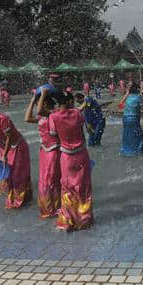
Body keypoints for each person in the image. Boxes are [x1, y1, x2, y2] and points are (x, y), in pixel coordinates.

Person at [41, 89, 93, 231]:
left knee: (68, 187)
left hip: (66, 157)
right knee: (83, 187)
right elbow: (82, 131)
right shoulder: (76, 113)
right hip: (81, 154)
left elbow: (54, 135)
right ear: (69, 101)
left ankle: (68, 219)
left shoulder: (53, 117)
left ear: (58, 102)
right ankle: (84, 219)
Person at [25, 92, 61, 218]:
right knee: (44, 179)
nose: (37, 106)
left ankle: (55, 206)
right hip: (44, 150)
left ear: (46, 103)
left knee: (52, 179)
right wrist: (32, 100)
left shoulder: (54, 114)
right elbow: (27, 118)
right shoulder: (41, 116)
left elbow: (39, 110)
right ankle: (46, 206)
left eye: (38, 103)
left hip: (54, 150)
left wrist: (43, 94)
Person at [119, 83, 143, 157]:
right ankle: (138, 152)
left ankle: (126, 151)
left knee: (126, 134)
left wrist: (127, 94)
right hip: (133, 118)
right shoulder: (139, 97)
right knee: (139, 136)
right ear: (137, 89)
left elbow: (120, 104)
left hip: (125, 118)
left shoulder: (128, 96)